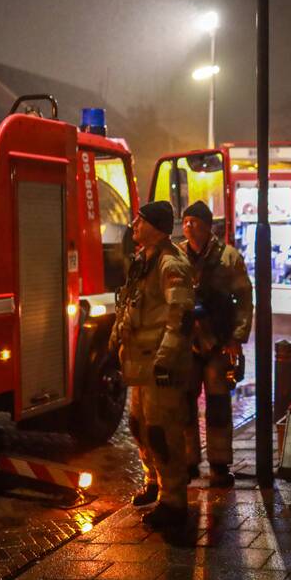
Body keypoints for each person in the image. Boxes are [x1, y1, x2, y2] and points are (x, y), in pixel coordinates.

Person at [109, 201, 195, 529]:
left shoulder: (171, 264)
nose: (133, 225)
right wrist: (116, 338)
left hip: (160, 367)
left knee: (162, 430)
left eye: (140, 221)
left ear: (156, 226)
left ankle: (174, 502)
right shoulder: (143, 261)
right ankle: (154, 481)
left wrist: (165, 359)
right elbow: (130, 304)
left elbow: (181, 317)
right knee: (139, 425)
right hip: (141, 363)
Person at [178, 200, 253, 488]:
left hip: (220, 342)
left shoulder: (228, 258)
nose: (188, 226)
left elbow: (244, 300)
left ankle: (220, 465)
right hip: (187, 342)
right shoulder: (177, 255)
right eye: (185, 221)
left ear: (208, 226)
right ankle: (188, 463)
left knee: (219, 403)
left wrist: (237, 336)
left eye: (194, 221)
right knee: (184, 403)